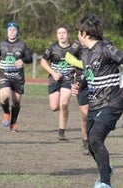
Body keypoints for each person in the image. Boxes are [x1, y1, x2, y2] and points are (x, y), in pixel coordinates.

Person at [72, 14, 123, 188]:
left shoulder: (107, 48)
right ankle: (106, 169)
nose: (77, 36)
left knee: (94, 138)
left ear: (85, 33)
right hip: (95, 104)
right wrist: (79, 85)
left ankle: (105, 183)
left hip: (112, 102)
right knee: (91, 143)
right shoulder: (85, 53)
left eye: (78, 33)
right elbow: (89, 75)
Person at [0, 22, 33, 132]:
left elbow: (30, 58)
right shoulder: (2, 43)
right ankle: (6, 113)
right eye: (10, 29)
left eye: (14, 30)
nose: (12, 31)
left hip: (18, 77)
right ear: (7, 31)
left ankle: (13, 123)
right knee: (4, 96)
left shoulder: (22, 45)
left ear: (17, 31)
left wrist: (22, 60)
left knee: (16, 101)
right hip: (4, 74)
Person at [40, 23, 75, 140]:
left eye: (64, 33)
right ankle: (62, 112)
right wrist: (54, 73)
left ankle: (61, 132)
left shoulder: (75, 48)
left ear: (68, 34)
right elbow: (43, 61)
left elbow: (81, 62)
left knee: (64, 103)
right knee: (54, 107)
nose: (61, 35)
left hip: (69, 80)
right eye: (59, 33)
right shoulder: (52, 48)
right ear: (56, 35)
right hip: (54, 79)